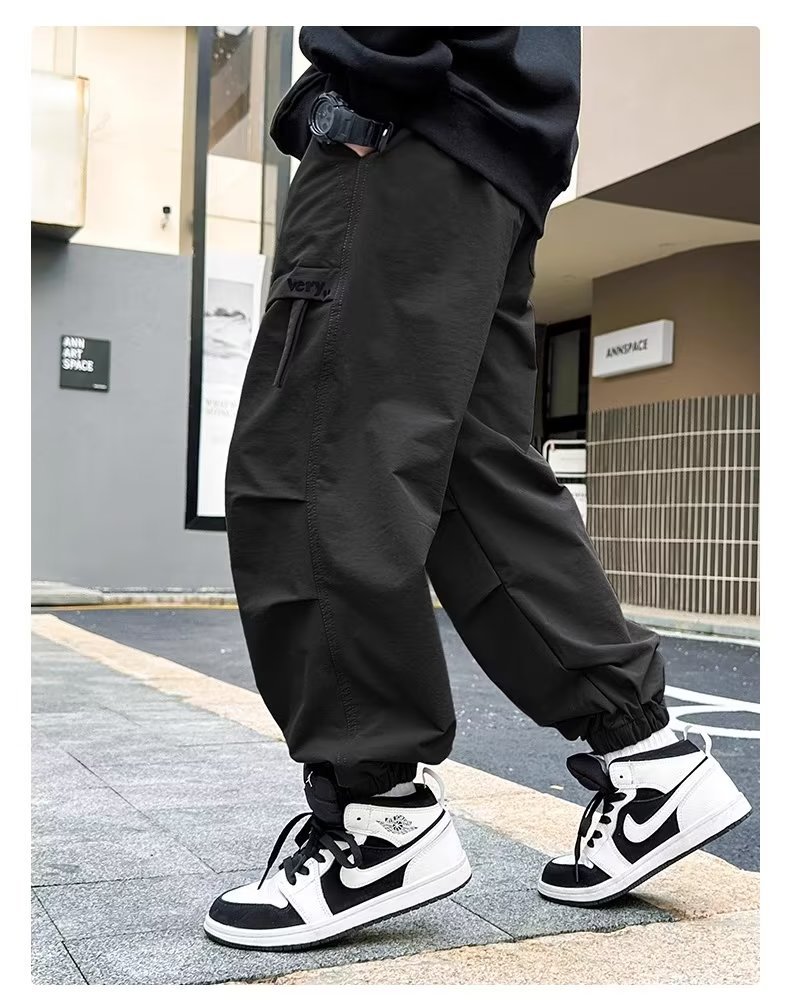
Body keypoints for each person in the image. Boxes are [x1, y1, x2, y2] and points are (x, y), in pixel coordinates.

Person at [204, 27, 750, 951]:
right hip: (494, 152)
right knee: (473, 473)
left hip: (404, 122)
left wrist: (375, 64)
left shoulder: (392, 98)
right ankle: (645, 757)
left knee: (314, 459)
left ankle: (377, 819)